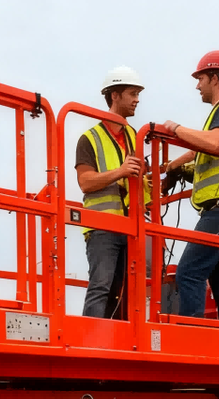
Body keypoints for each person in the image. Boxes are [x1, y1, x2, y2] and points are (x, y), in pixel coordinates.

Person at [161, 51, 219, 323]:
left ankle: (191, 338)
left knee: (189, 272)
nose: (197, 86)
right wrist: (172, 167)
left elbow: (214, 143)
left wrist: (175, 128)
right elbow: (202, 154)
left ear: (214, 78)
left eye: (200, 79)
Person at [75, 67, 151, 318]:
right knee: (101, 287)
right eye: (132, 93)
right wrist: (120, 171)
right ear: (114, 95)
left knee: (126, 292)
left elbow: (139, 181)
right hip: (102, 226)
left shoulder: (134, 136)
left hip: (130, 227)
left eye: (138, 94)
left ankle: (118, 338)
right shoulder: (90, 138)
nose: (137, 99)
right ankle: (92, 338)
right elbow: (85, 182)